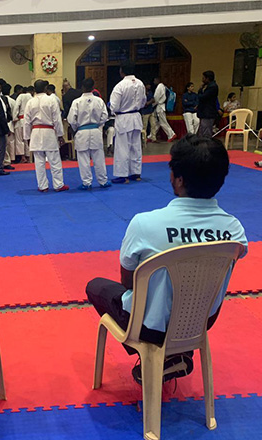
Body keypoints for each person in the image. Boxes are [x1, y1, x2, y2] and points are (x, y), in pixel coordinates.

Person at [86, 134, 248, 383]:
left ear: (179, 179)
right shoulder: (235, 230)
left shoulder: (145, 224)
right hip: (200, 321)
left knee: (96, 286)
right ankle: (177, 354)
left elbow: (129, 283)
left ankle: (156, 357)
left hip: (149, 327)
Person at [24, 79, 68, 192]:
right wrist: (60, 135)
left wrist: (27, 137)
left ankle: (42, 186)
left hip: (35, 132)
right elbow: (57, 119)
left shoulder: (30, 102)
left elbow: (27, 122)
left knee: (39, 162)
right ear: (45, 88)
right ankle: (58, 185)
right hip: (49, 132)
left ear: (34, 89)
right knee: (54, 161)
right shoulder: (51, 100)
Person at [67, 78, 111, 190]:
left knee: (83, 159)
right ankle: (103, 181)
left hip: (82, 131)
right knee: (99, 158)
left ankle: (86, 183)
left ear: (82, 87)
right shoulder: (99, 101)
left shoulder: (77, 102)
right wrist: (98, 125)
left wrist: (76, 128)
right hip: (95, 131)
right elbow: (105, 116)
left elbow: (71, 119)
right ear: (93, 87)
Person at [110, 61, 147, 184]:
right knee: (136, 146)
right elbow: (143, 102)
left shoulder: (120, 86)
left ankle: (123, 175)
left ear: (122, 71)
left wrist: (111, 107)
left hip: (124, 118)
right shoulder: (141, 84)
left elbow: (114, 106)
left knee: (122, 147)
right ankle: (136, 173)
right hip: (136, 116)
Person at [151, 77, 177, 143]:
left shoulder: (159, 86)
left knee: (163, 122)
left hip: (160, 107)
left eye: (154, 80)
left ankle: (171, 134)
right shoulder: (164, 87)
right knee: (157, 123)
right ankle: (151, 135)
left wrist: (152, 104)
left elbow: (156, 98)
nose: (154, 82)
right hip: (161, 106)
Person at [13, 87, 32, 163]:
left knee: (19, 139)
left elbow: (16, 107)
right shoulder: (31, 97)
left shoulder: (21, 96)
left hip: (20, 120)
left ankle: (22, 156)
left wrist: (14, 117)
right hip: (28, 121)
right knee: (26, 139)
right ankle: (28, 156)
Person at [197, 71, 219, 138]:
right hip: (204, 112)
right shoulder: (208, 86)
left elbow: (203, 97)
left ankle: (206, 143)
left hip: (208, 112)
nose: (202, 80)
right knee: (201, 131)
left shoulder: (212, 87)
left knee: (206, 132)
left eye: (203, 78)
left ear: (207, 78)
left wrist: (200, 90)